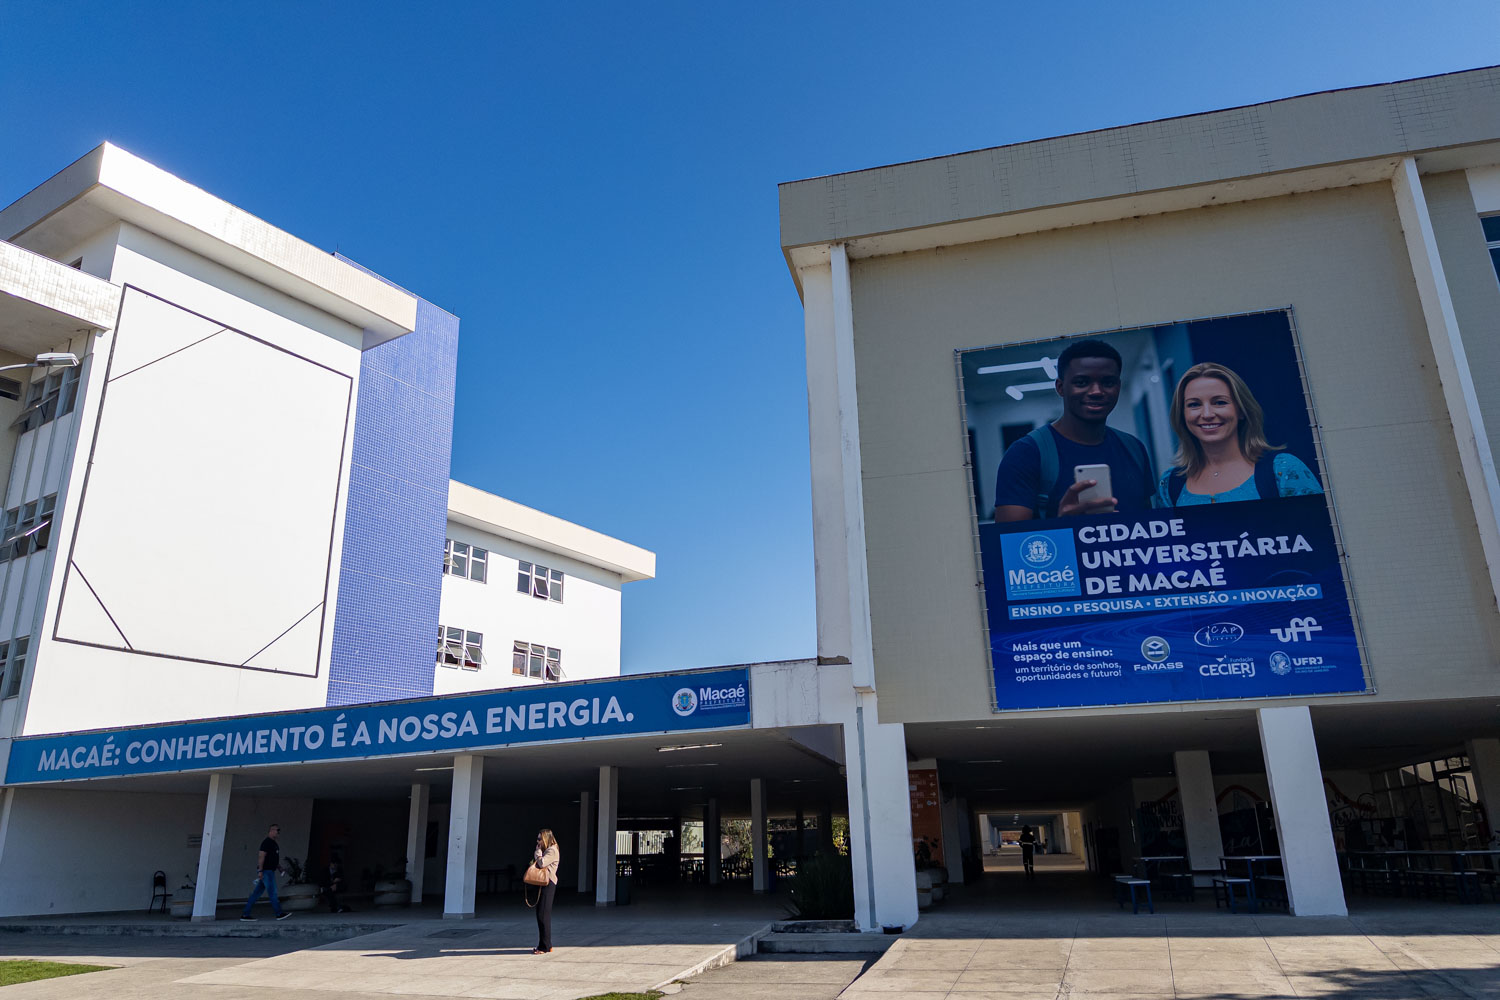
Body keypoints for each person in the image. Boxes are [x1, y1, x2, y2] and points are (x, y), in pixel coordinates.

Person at [993, 339, 1155, 521]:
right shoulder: (1025, 453)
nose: (1096, 391)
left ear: (1118, 386)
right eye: (1082, 382)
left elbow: (1148, 523)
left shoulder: (1134, 448)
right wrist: (1063, 525)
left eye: (1108, 382)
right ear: (1061, 388)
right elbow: (1009, 544)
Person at [1156, 362, 1323, 506]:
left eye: (1220, 402)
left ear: (1241, 410)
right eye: (1194, 405)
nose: (1206, 414)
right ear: (1182, 415)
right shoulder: (1170, 484)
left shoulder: (1283, 470)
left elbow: (1323, 535)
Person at [240, 823, 291, 921]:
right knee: (273, 892)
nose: (278, 832)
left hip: (269, 870)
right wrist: (260, 870)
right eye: (277, 830)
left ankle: (245, 914)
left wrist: (279, 867)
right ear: (271, 830)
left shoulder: (274, 844)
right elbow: (261, 856)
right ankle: (279, 913)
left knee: (256, 893)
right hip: (266, 872)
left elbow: (273, 858)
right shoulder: (266, 843)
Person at [531, 828, 560, 955]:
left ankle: (544, 946)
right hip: (545, 883)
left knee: (543, 915)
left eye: (540, 839)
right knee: (542, 914)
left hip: (549, 883)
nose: (538, 842)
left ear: (546, 838)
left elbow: (542, 863)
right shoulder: (548, 850)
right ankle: (545, 944)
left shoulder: (552, 850)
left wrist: (537, 852)